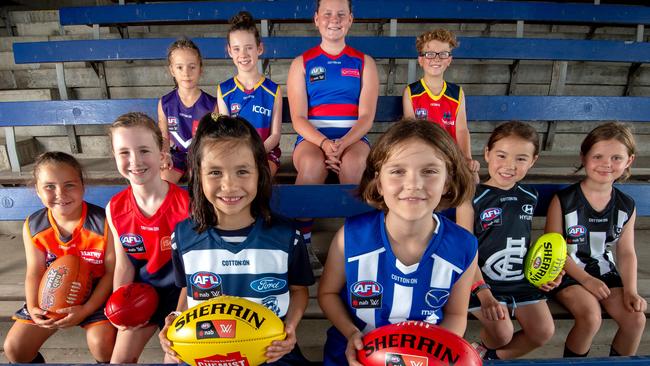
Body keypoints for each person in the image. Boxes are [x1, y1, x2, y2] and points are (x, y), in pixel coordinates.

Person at [158, 113, 315, 365]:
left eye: (242, 171)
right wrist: (177, 318)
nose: (229, 185)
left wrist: (291, 327)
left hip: (270, 352)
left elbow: (298, 290)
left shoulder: (286, 235)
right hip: (207, 352)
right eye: (215, 172)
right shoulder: (184, 236)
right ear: (198, 174)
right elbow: (188, 288)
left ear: (259, 173)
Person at [318, 119, 478, 366]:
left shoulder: (463, 246)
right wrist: (351, 333)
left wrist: (432, 356)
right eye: (397, 171)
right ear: (378, 181)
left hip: (423, 356)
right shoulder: (350, 238)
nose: (413, 184)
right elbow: (327, 293)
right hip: (353, 354)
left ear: (447, 181)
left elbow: (456, 315)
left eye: (429, 171)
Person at [287, 0, 379, 274]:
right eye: (327, 13)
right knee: (313, 165)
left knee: (355, 165)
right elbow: (298, 118)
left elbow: (366, 118)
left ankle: (356, 244)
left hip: (353, 138)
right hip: (312, 140)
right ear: (316, 19)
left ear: (350, 19)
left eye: (341, 14)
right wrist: (325, 144)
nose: (334, 19)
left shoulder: (365, 63)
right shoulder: (301, 63)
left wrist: (343, 144)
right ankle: (302, 244)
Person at [456, 122, 556, 360]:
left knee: (543, 332)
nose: (510, 166)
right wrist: (483, 292)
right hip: (479, 280)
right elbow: (465, 250)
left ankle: (487, 357)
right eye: (502, 155)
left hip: (518, 278)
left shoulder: (530, 196)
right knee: (502, 333)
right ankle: (477, 351)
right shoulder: (471, 197)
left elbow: (526, 242)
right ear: (487, 153)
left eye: (521, 159)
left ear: (533, 161)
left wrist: (546, 272)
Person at [545, 122, 646, 357]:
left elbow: (626, 252)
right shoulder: (564, 200)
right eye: (598, 155)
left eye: (616, 158)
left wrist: (631, 290)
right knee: (591, 317)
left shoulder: (626, 205)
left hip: (604, 272)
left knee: (635, 319)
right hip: (567, 273)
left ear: (629, 161)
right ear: (584, 156)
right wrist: (586, 280)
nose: (606, 164)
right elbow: (553, 251)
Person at [3, 152, 116, 363]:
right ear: (37, 190)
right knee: (15, 348)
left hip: (97, 296)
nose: (60, 193)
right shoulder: (34, 226)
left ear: (83, 185)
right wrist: (34, 307)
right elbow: (34, 271)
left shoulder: (104, 223)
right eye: (49, 187)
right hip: (51, 295)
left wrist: (85, 310)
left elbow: (111, 274)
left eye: (69, 185)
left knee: (102, 344)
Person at [107, 112, 189, 363]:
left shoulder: (187, 206)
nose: (135, 160)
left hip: (182, 294)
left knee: (173, 361)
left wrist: (179, 313)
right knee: (119, 361)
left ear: (162, 155)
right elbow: (123, 265)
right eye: (124, 152)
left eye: (144, 150)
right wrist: (121, 310)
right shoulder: (115, 208)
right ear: (114, 157)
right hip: (143, 293)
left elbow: (194, 271)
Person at [402, 29, 479, 182]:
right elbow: (410, 131)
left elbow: (462, 129)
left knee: (473, 179)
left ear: (449, 60)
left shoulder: (457, 93)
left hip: (451, 154)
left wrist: (467, 158)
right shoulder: (411, 92)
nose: (436, 59)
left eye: (443, 54)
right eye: (430, 54)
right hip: (423, 154)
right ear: (421, 60)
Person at [216, 11, 283, 176]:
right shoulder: (224, 90)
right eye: (237, 49)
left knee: (256, 176)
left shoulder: (273, 90)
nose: (243, 55)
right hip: (234, 153)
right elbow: (226, 133)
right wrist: (241, 155)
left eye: (249, 48)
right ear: (230, 51)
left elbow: (275, 135)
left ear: (259, 48)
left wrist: (254, 152)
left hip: (265, 153)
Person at [158, 38, 217, 184]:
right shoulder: (165, 103)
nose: (186, 73)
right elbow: (164, 137)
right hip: (177, 155)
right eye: (180, 67)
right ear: (172, 70)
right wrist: (165, 154)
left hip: (202, 156)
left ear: (200, 69)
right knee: (162, 180)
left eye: (192, 67)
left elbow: (215, 139)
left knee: (199, 181)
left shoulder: (212, 104)